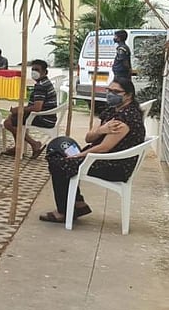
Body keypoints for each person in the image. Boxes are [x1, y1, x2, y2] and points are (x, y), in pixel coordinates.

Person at [41, 77, 145, 223]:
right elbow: (89, 138)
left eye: (116, 92)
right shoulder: (111, 111)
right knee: (57, 150)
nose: (110, 94)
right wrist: (101, 130)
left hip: (114, 165)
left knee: (59, 163)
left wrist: (77, 156)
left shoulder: (125, 118)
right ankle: (78, 203)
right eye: (109, 90)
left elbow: (104, 148)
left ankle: (64, 211)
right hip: (101, 158)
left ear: (128, 95)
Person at [3, 59, 58, 158]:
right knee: (14, 118)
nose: (34, 72)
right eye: (33, 69)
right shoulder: (45, 82)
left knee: (9, 122)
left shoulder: (41, 86)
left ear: (45, 72)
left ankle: (34, 144)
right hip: (48, 116)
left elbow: (37, 107)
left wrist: (19, 109)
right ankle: (18, 147)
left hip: (44, 118)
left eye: (37, 70)